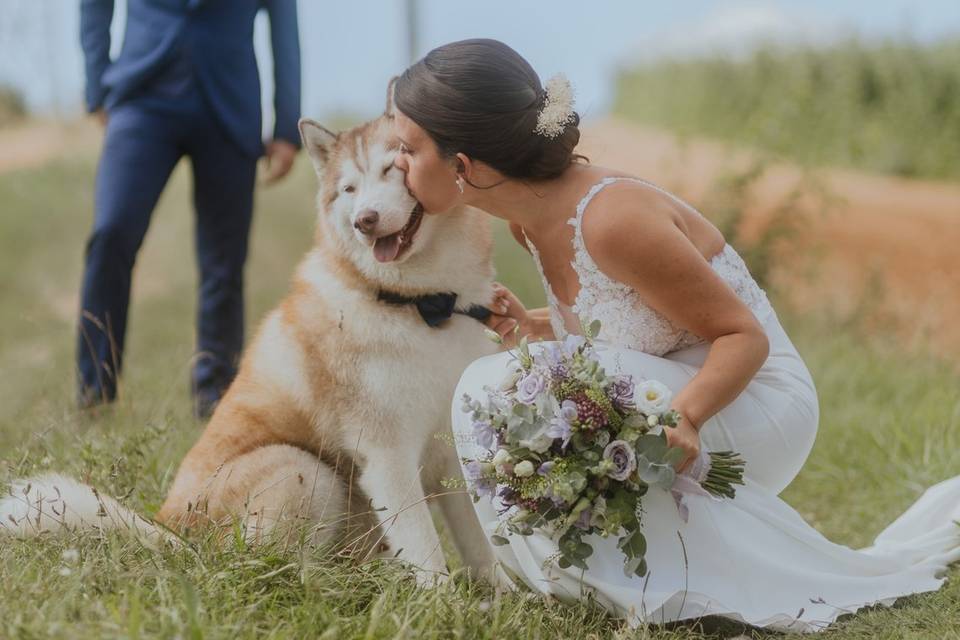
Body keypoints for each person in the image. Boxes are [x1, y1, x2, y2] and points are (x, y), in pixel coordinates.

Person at [391, 38, 960, 633]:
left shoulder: (612, 219)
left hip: (755, 400)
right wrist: (540, 325)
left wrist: (685, 417)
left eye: (407, 149)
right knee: (502, 383)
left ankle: (642, 588)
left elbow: (743, 337)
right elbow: (626, 322)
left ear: (463, 167)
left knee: (501, 385)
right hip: (680, 385)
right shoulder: (526, 222)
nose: (397, 165)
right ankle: (584, 579)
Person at [76, 0, 301, 418]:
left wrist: (287, 122)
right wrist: (96, 84)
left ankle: (213, 397)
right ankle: (95, 394)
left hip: (230, 101)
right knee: (111, 233)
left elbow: (284, 18)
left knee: (224, 263)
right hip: (141, 96)